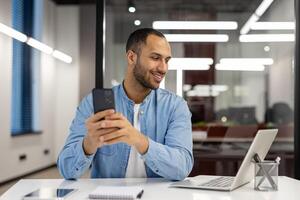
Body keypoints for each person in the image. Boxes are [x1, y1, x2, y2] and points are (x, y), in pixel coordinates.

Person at [57, 28, 193, 181]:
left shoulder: (175, 106)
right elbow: (67, 171)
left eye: (166, 60)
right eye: (155, 58)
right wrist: (88, 143)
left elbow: (182, 167)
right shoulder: (92, 104)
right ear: (131, 57)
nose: (163, 68)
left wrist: (138, 139)